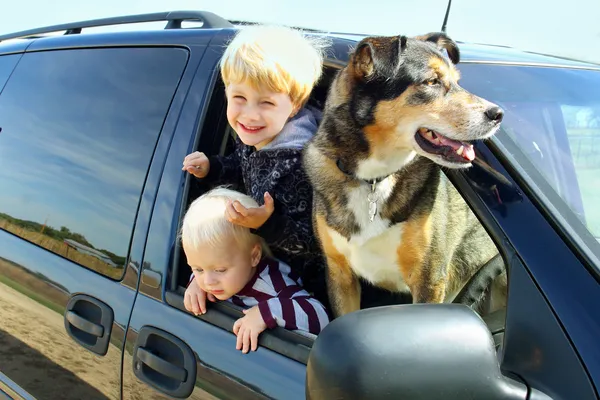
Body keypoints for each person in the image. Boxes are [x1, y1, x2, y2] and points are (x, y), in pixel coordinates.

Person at [181, 24, 329, 304]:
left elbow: (319, 243)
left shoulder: (303, 165)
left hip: (298, 288)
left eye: (266, 103)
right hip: (254, 263)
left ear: (295, 105)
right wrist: (213, 167)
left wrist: (269, 224)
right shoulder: (254, 136)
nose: (249, 115)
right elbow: (242, 166)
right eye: (239, 98)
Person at [181, 188, 329, 353]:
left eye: (220, 270)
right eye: (198, 268)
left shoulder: (273, 285)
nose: (208, 282)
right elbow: (205, 270)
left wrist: (266, 312)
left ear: (254, 256)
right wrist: (195, 282)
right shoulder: (214, 275)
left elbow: (320, 317)